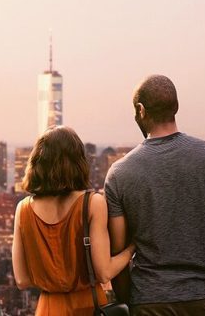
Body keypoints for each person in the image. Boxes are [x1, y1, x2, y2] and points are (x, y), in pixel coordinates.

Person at [105, 75, 205, 315]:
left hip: (149, 302)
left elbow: (118, 251)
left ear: (140, 110)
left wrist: (130, 301)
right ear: (176, 107)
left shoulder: (119, 173)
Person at [12, 126, 135, 315]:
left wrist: (53, 279)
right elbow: (104, 272)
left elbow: (21, 280)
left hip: (47, 308)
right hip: (88, 306)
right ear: (78, 162)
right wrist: (132, 248)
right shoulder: (92, 203)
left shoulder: (23, 209)